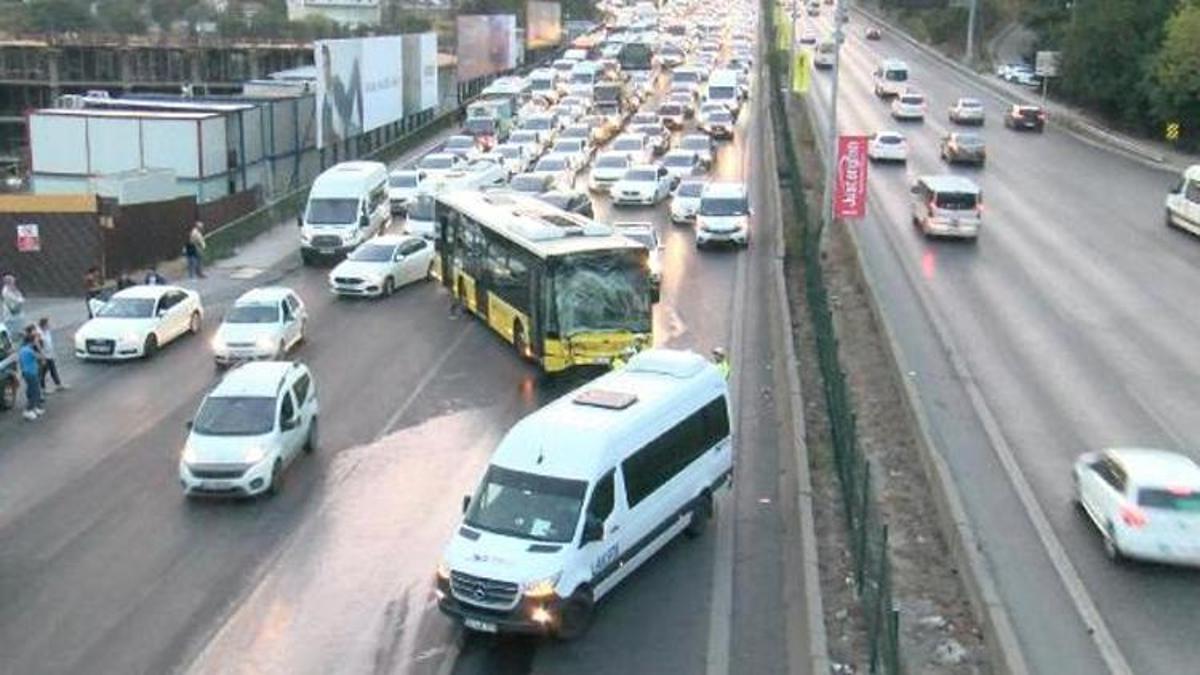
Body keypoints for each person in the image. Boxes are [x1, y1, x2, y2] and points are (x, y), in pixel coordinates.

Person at [36, 317, 67, 392]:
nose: (49, 325)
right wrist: (42, 357)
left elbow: (49, 343)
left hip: (49, 355)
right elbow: (38, 345)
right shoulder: (39, 334)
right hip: (44, 356)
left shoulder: (47, 331)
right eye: (48, 324)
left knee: (53, 370)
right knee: (43, 373)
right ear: (43, 325)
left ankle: (58, 385)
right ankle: (42, 389)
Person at [18, 331, 44, 420]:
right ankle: (28, 411)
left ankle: (34, 408)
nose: (37, 341)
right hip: (32, 373)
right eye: (36, 340)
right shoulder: (29, 350)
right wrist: (38, 346)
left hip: (26, 373)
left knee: (32, 391)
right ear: (32, 341)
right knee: (34, 391)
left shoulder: (22, 350)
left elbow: (20, 362)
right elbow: (41, 357)